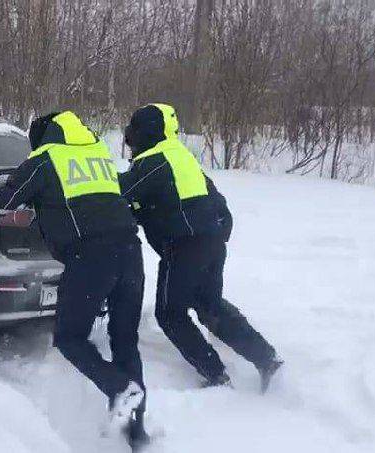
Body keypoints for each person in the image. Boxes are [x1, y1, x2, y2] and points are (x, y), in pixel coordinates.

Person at [0, 111, 150, 447]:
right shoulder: (97, 155)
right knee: (124, 339)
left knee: (70, 338)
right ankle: (136, 434)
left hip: (91, 258)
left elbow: (4, 202)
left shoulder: (45, 159)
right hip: (130, 251)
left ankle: (119, 388)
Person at [119, 103, 283, 391]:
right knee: (209, 306)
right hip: (211, 240)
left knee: (170, 314)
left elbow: (118, 191)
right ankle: (266, 358)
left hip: (184, 246)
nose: (129, 139)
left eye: (132, 131)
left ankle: (216, 375)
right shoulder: (180, 156)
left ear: (146, 132)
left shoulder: (154, 161)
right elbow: (210, 197)